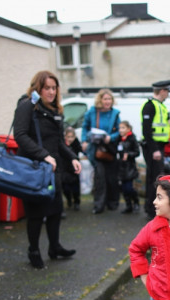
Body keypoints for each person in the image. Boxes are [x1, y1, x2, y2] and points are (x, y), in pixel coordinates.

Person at [13, 70, 81, 269]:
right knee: (35, 214)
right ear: (38, 88)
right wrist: (43, 155)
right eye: (47, 88)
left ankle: (54, 247)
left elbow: (59, 142)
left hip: (53, 169)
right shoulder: (27, 106)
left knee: (55, 210)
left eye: (54, 88)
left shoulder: (55, 110)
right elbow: (20, 135)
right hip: (33, 169)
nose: (51, 92)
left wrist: (73, 158)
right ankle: (33, 250)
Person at [81, 88, 121, 214]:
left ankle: (112, 203)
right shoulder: (93, 112)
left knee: (111, 179)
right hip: (96, 150)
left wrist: (111, 137)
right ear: (100, 100)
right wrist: (84, 141)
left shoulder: (115, 113)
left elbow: (119, 131)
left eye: (109, 99)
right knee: (100, 178)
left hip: (110, 150)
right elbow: (85, 127)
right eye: (105, 99)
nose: (107, 101)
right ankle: (99, 205)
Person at [141, 80, 170, 220]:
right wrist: (154, 150)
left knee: (155, 178)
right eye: (167, 91)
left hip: (159, 147)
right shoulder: (150, 106)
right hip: (153, 147)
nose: (168, 94)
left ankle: (152, 208)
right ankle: (151, 210)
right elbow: (146, 130)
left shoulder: (160, 106)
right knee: (154, 179)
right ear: (162, 91)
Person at [117, 120, 141, 214]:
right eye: (120, 128)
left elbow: (137, 152)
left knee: (129, 188)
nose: (121, 130)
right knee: (123, 188)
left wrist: (129, 154)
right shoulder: (119, 139)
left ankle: (135, 201)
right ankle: (128, 206)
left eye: (123, 128)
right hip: (121, 167)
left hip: (129, 167)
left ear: (128, 129)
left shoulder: (132, 138)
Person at [63, 126, 83, 211]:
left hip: (74, 170)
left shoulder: (76, 144)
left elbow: (81, 150)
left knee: (75, 189)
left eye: (72, 137)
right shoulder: (62, 145)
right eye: (68, 137)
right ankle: (69, 199)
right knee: (66, 188)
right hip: (65, 169)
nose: (70, 139)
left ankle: (76, 202)